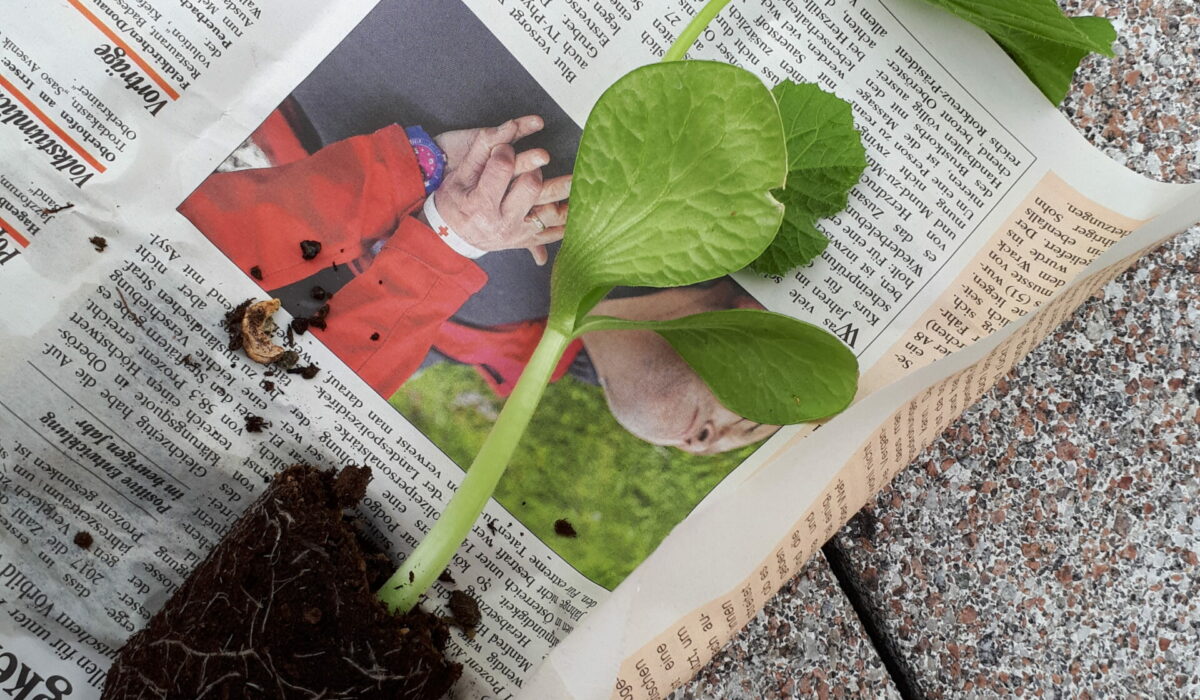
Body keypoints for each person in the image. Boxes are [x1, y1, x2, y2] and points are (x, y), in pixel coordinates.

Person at [182, 114, 778, 456]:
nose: (709, 441)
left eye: (704, 443)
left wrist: (434, 197)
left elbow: (302, 395)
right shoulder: (700, 210)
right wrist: (430, 203)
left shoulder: (527, 355)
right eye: (762, 406)